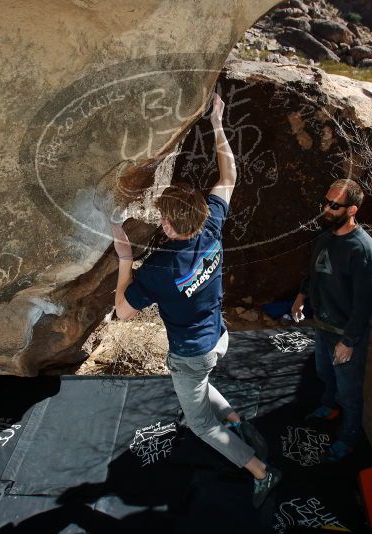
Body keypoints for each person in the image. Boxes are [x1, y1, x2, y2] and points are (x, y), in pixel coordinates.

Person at [110, 92, 281, 509]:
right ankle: (238, 421)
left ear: (168, 225)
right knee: (203, 385)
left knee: (200, 425)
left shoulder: (160, 271)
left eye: (162, 219)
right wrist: (217, 123)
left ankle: (260, 471)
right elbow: (230, 176)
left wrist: (125, 260)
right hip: (216, 336)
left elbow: (122, 312)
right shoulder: (211, 227)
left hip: (191, 352)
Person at [291, 179, 372, 462]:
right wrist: (301, 296)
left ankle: (349, 437)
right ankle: (328, 406)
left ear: (352, 209)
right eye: (326, 202)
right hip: (323, 325)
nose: (326, 209)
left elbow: (364, 304)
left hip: (346, 332)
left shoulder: (364, 252)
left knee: (350, 390)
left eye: (334, 206)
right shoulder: (326, 236)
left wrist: (349, 341)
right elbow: (315, 271)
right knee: (324, 372)